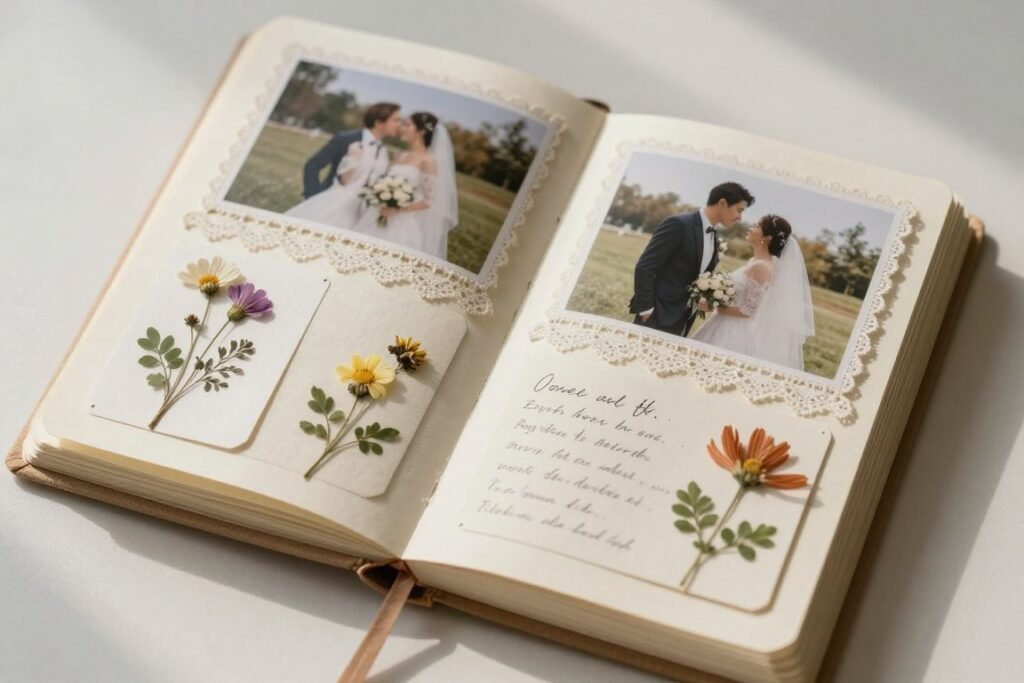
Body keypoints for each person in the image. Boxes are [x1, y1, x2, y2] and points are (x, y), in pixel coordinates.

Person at [691, 214, 816, 371]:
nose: (751, 227)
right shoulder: (755, 262)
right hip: (724, 321)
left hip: (732, 330)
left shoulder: (761, 267)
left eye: (757, 226)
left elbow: (749, 310)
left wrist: (714, 306)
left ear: (767, 237)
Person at [629, 182, 754, 336]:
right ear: (722, 203)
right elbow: (645, 266)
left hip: (684, 319)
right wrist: (646, 309)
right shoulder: (679, 224)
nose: (740, 217)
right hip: (657, 315)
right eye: (739, 210)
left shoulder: (714, 237)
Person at [347, 111, 458, 261]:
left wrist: (396, 208)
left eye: (407, 125)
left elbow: (429, 201)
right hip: (377, 213)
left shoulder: (428, 161)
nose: (401, 128)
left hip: (400, 224)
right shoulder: (401, 155)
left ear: (421, 131)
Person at [283, 102, 401, 228]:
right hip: (331, 205)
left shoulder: (383, 151)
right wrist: (312, 196)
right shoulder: (346, 139)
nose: (399, 125)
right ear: (378, 122)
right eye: (395, 120)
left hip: (360, 213)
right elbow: (313, 165)